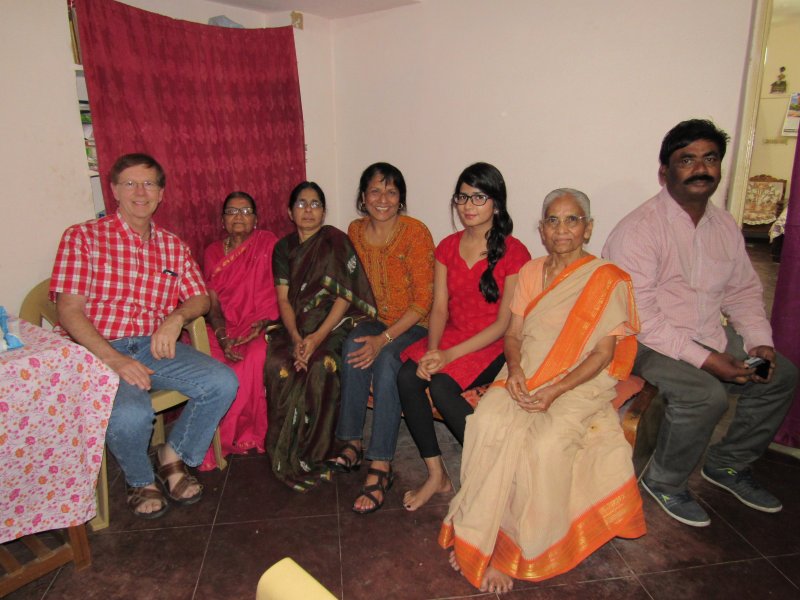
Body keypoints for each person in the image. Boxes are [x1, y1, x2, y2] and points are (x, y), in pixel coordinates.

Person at [442, 189, 646, 593]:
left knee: (543, 444)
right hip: (525, 370)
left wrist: (554, 391)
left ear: (588, 227)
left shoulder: (607, 279)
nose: (562, 229)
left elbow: (603, 354)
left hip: (580, 382)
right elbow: (514, 334)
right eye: (553, 220)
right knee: (486, 422)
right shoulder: (533, 272)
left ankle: (515, 548)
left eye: (572, 220)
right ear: (541, 229)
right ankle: (479, 532)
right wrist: (514, 370)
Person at [603, 119, 798, 528]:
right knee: (705, 395)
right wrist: (708, 360)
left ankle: (727, 464)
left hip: (707, 330)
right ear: (665, 171)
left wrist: (759, 342)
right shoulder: (639, 230)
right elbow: (642, 317)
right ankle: (665, 481)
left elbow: (742, 291)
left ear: (720, 167)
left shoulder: (724, 225)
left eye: (709, 158)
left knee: (779, 375)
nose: (700, 168)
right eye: (686, 159)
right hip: (643, 342)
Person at [50, 153, 238, 519]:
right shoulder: (83, 237)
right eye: (130, 183)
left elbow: (199, 297)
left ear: (161, 194)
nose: (140, 191)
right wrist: (116, 360)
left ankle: (173, 456)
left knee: (222, 381)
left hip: (153, 344)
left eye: (149, 184)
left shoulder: (173, 246)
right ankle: (140, 479)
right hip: (98, 350)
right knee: (131, 414)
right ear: (114, 191)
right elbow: (69, 311)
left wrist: (175, 318)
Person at [397, 162, 530, 511]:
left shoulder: (515, 252)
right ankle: (436, 475)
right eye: (463, 197)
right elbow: (439, 309)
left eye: (479, 197)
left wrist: (448, 357)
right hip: (453, 335)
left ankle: (492, 473)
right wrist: (434, 349)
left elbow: (504, 324)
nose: (468, 205)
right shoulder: (447, 246)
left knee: (441, 386)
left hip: (492, 343)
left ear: (496, 204)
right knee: (408, 377)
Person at [328, 162, 435, 514]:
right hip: (375, 320)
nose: (383, 199)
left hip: (415, 324)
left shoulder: (416, 232)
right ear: (363, 197)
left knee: (389, 361)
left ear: (401, 198)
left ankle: (381, 464)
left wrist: (384, 339)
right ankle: (352, 440)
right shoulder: (355, 231)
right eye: (375, 191)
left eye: (391, 191)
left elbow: (423, 302)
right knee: (352, 346)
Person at [264, 181, 376, 492]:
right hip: (294, 327)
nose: (309, 210)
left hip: (332, 326)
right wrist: (298, 337)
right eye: (302, 204)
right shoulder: (283, 248)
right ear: (290, 211)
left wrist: (315, 339)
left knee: (321, 364)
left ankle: (321, 449)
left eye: (315, 204)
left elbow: (344, 297)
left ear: (324, 211)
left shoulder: (336, 242)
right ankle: (290, 446)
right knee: (278, 365)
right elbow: (284, 299)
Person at [198, 191, 279, 470]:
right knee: (214, 365)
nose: (239, 217)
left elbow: (279, 290)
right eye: (232, 212)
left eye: (245, 212)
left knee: (253, 359)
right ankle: (211, 439)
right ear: (223, 220)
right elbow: (212, 301)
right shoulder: (211, 252)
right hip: (222, 326)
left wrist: (264, 324)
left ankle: (242, 436)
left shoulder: (268, 243)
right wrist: (222, 335)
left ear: (255, 219)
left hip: (261, 324)